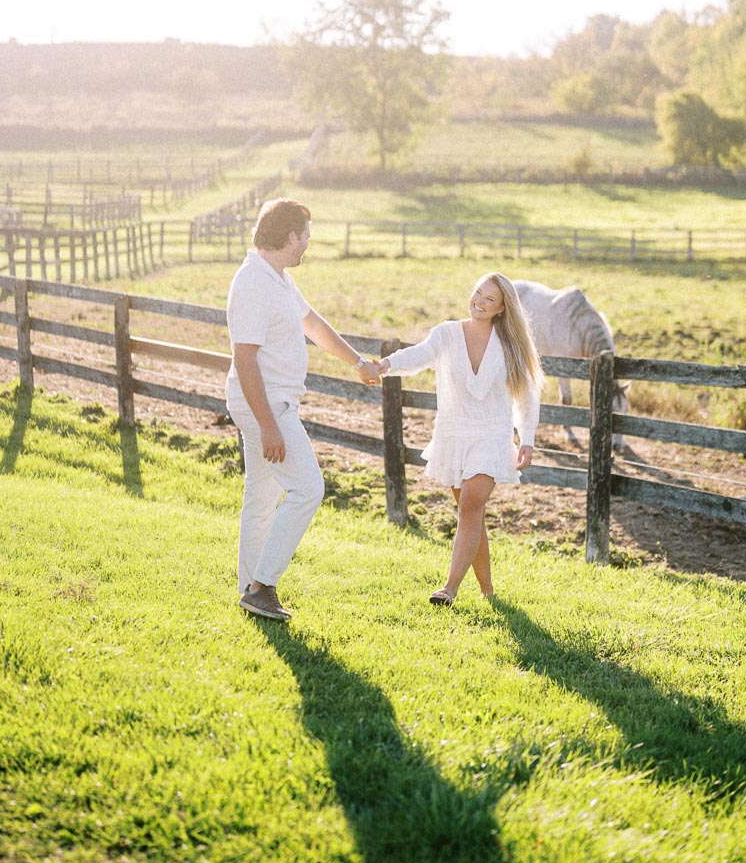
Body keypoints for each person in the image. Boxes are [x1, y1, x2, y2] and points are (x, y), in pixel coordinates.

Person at [227, 197, 382, 621]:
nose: (308, 245)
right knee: (308, 488)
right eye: (306, 236)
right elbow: (244, 361)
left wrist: (358, 363)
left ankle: (249, 589)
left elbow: (312, 324)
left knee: (261, 498)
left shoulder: (276, 279)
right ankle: (263, 587)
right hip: (266, 405)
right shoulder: (254, 283)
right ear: (290, 235)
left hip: (274, 403)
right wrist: (269, 426)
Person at [378, 272, 543, 606]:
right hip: (454, 434)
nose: (479, 302)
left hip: (492, 435)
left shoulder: (511, 345)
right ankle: (488, 591)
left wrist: (527, 438)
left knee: (470, 504)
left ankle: (449, 588)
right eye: (477, 294)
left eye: (489, 299)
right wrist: (384, 365)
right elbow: (417, 357)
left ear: (501, 309)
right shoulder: (448, 333)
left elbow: (527, 395)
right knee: (472, 512)